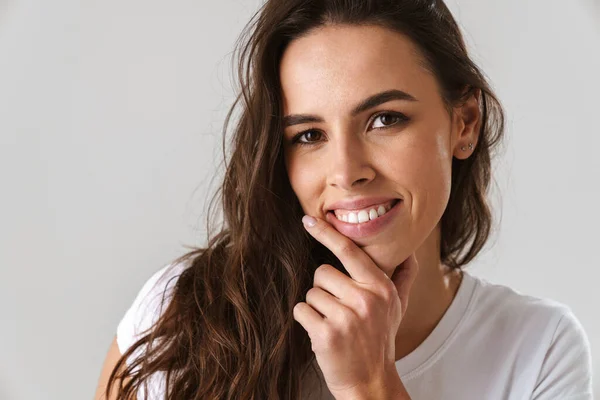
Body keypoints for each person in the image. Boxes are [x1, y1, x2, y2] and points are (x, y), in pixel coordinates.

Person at [94, 0, 594, 399]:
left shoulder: (538, 350)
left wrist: (369, 385)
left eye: (385, 119)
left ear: (464, 123)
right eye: (309, 135)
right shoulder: (184, 313)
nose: (347, 172)